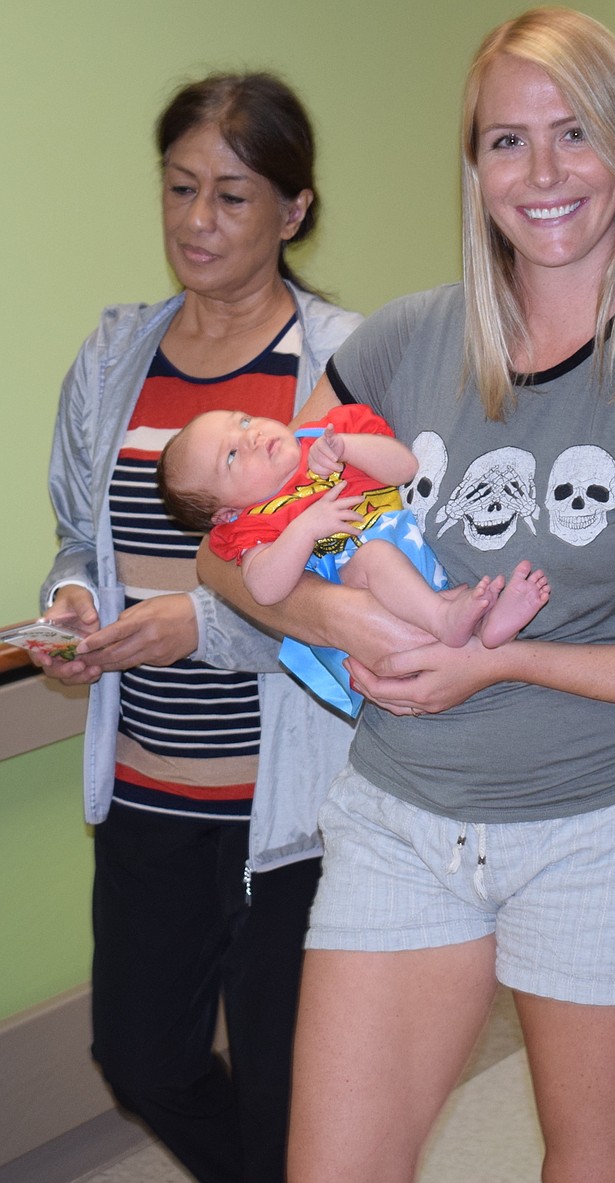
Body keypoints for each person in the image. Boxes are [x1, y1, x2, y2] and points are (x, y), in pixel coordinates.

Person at [198, 10, 615, 1183]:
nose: (541, 175)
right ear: (473, 168)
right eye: (505, 141)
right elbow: (235, 543)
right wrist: (327, 615)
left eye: (573, 133)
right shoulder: (403, 345)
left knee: (592, 1165)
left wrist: (510, 659)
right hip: (402, 823)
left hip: (605, 826)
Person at [32, 73, 362, 1183]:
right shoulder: (117, 356)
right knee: (142, 1057)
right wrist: (79, 599)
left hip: (298, 817)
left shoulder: (339, 368)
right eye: (180, 187)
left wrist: (204, 626)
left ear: (294, 211)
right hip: (146, 795)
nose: (196, 221)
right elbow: (86, 533)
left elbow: (366, 591)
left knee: (287, 1097)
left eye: (231, 194)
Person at [158, 404, 551, 715]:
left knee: (453, 591)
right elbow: (263, 588)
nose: (252, 437)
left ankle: (489, 629)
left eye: (242, 421)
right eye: (230, 457)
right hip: (361, 584)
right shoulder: (253, 522)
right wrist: (304, 528)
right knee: (377, 557)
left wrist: (346, 446)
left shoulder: (325, 435)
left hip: (417, 559)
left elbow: (405, 468)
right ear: (226, 513)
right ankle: (447, 621)